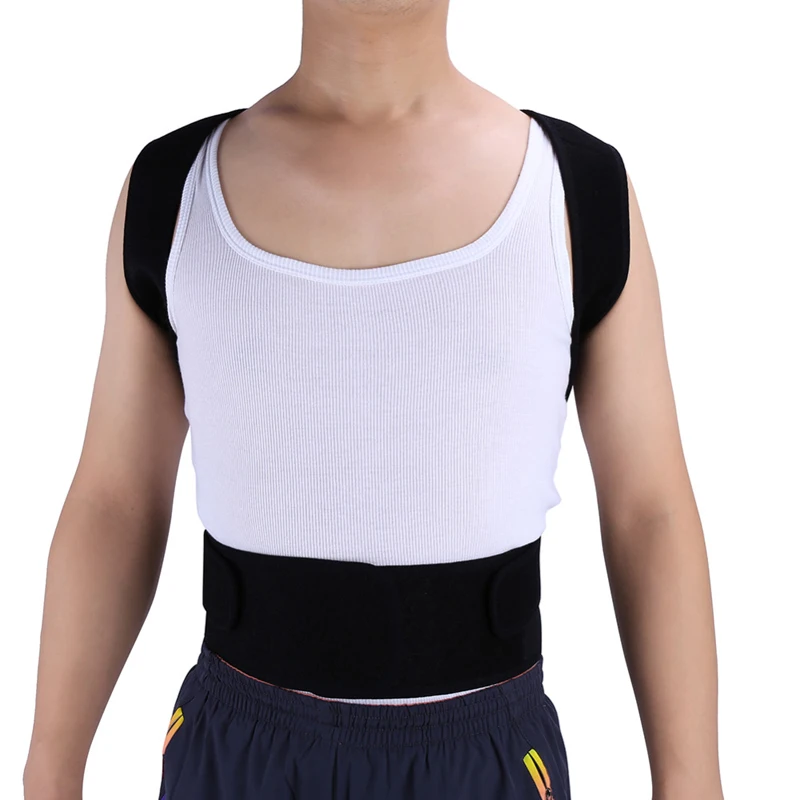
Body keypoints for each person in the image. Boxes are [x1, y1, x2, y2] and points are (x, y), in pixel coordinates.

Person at [23, 1, 725, 799]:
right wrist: (51, 766)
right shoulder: (174, 194)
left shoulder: (576, 193)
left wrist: (692, 777)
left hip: (483, 760)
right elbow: (115, 500)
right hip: (242, 755)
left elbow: (649, 509)